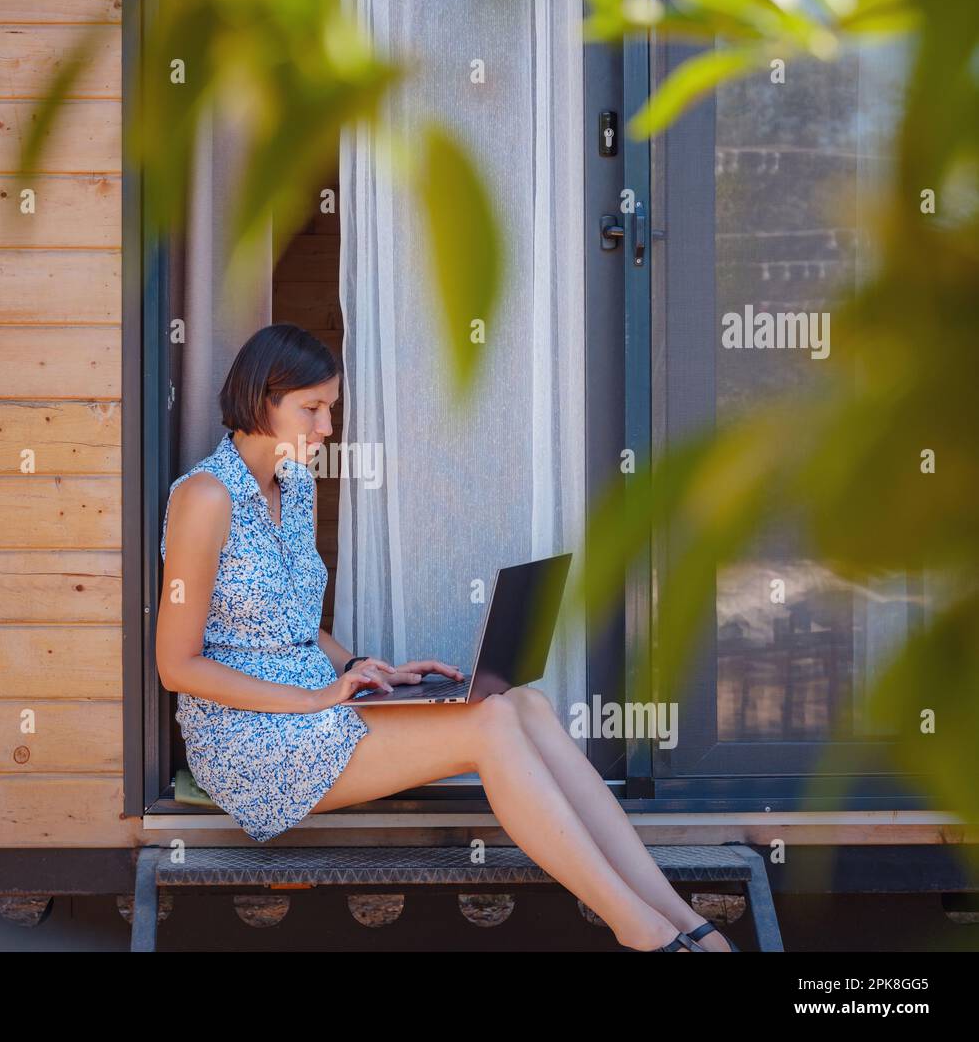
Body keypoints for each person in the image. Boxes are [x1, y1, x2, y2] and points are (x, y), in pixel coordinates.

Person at [156, 323, 738, 952]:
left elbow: (291, 624)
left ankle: (680, 917)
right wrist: (314, 700)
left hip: (317, 710)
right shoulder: (205, 498)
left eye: (332, 408)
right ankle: (639, 929)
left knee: (522, 704)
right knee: (486, 726)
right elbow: (177, 665)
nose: (328, 428)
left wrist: (362, 666)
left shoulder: (294, 488)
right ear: (262, 400)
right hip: (247, 742)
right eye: (313, 409)